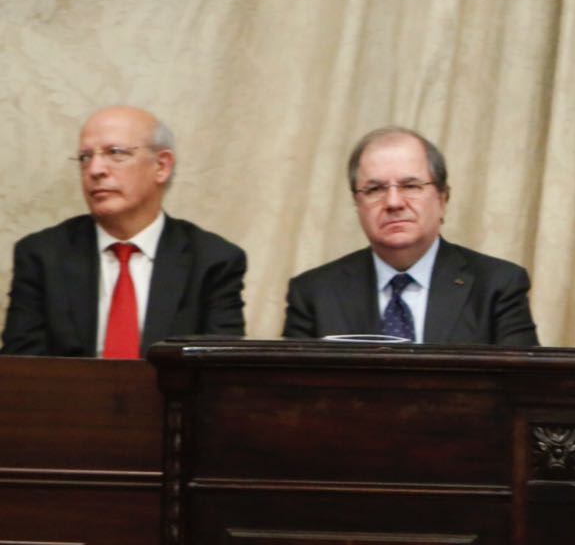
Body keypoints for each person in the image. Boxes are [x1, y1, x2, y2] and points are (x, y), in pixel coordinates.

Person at [2, 107, 246, 358]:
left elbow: (221, 376)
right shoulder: (42, 255)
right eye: (85, 157)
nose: (95, 170)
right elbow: (24, 372)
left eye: (115, 153)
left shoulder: (214, 261)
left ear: (161, 166)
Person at [283, 127, 537, 345]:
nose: (393, 202)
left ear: (443, 198)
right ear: (357, 203)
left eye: (411, 186)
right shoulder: (314, 293)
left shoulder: (497, 286)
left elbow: (522, 390)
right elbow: (291, 395)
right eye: (374, 189)